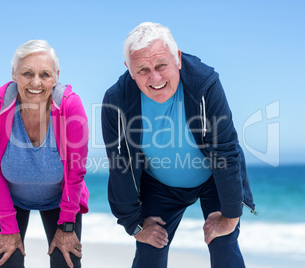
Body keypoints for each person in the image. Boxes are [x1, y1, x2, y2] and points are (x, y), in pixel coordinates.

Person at [101, 22, 256, 268]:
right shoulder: (116, 101)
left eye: (162, 65)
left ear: (178, 58)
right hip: (159, 185)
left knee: (224, 244)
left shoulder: (205, 84)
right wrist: (134, 225)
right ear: (129, 70)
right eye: (142, 69)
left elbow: (225, 150)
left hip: (213, 179)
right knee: (149, 251)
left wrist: (229, 217)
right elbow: (120, 166)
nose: (155, 77)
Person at [0, 40, 89, 268]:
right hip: (8, 198)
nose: (36, 82)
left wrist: (67, 226)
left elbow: (76, 172)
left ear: (56, 76)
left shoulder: (70, 106)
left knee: (67, 262)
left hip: (61, 199)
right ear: (14, 74)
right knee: (7, 262)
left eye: (45, 74)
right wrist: (8, 227)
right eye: (27, 73)